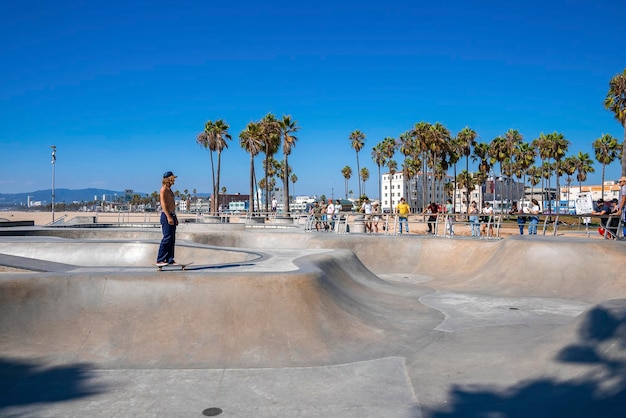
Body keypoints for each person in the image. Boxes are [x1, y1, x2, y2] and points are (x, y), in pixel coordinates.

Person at [156, 171, 179, 266]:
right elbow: (163, 204)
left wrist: (174, 216)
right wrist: (168, 216)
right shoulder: (163, 190)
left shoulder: (170, 190)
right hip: (166, 216)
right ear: (168, 179)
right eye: (172, 178)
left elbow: (172, 204)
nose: (174, 180)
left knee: (172, 239)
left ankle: (170, 259)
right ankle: (160, 259)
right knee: (167, 238)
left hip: (172, 214)